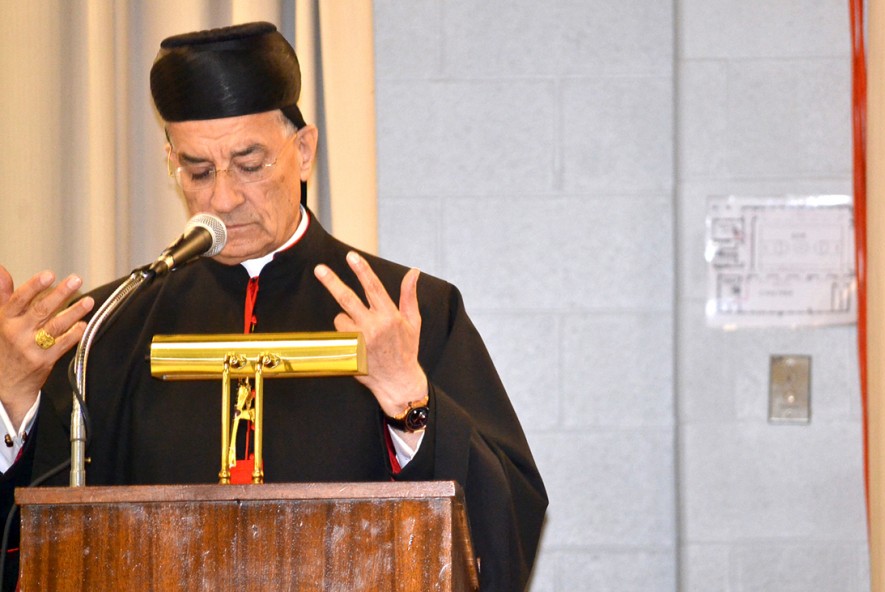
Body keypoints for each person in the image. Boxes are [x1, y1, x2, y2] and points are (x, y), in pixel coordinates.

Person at [0, 22, 546, 591]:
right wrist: (14, 403)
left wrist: (411, 404)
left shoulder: (410, 312)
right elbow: (43, 538)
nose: (223, 198)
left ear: (303, 151)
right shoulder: (112, 328)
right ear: (170, 161)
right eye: (198, 170)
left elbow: (504, 524)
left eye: (250, 163)